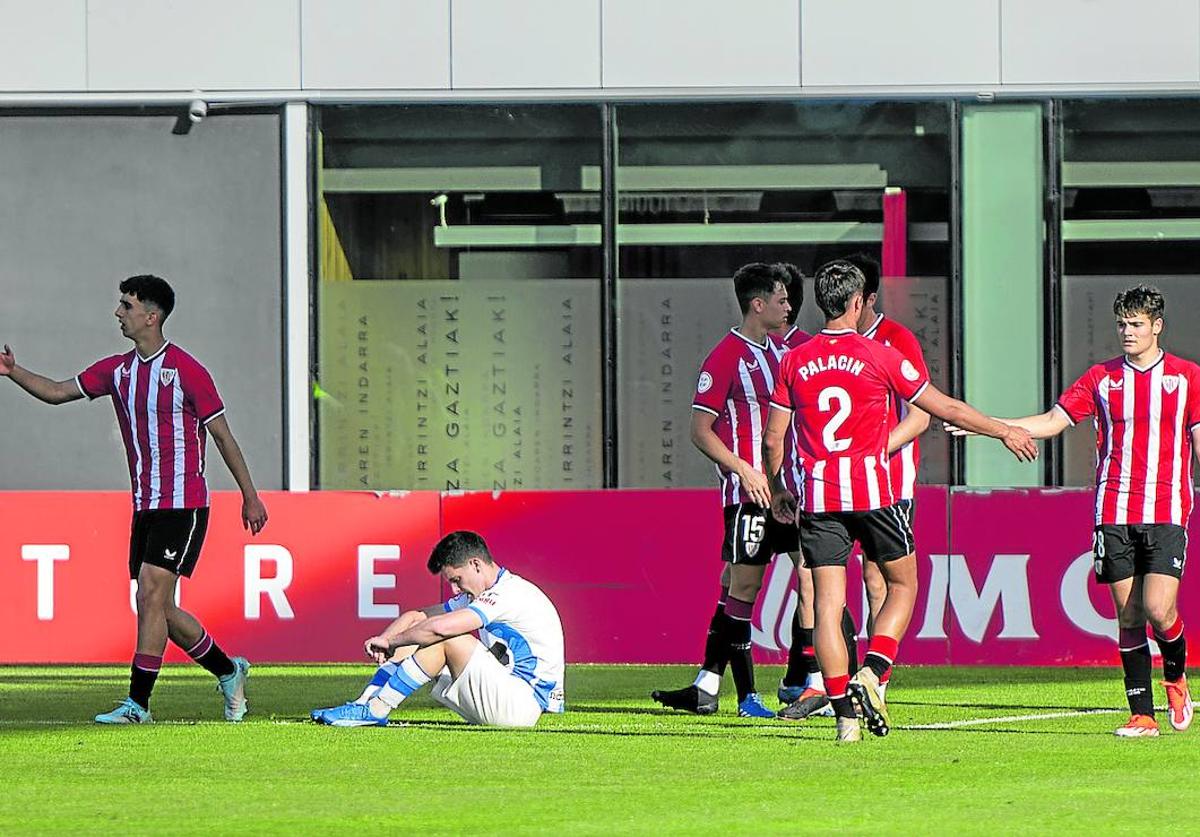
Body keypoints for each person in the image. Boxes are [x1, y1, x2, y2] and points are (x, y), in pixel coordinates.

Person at [764, 260, 1036, 742]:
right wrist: (1003, 430)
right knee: (903, 586)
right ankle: (873, 671)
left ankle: (845, 720)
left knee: (827, 606)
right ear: (855, 302)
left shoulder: (793, 360)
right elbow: (943, 408)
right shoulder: (878, 355)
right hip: (876, 492)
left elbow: (772, 440)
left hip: (820, 498)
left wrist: (778, 486)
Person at [0, 274, 267, 724]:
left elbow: (222, 435)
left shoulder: (187, 370)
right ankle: (228, 670)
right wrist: (12, 372)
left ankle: (137, 706)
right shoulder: (118, 372)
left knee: (149, 595)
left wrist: (250, 497)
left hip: (183, 502)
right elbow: (58, 391)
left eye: (126, 305)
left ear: (151, 315)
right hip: (146, 504)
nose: (118, 313)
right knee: (158, 607)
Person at [946, 285, 1197, 738]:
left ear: (1157, 327)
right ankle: (1142, 714)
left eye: (1137, 324)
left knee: (1161, 609)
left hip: (1167, 507)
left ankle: (1176, 679)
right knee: (1129, 614)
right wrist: (991, 428)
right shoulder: (1102, 378)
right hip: (1113, 508)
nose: (1128, 332)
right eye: (1123, 323)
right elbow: (1052, 421)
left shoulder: (1187, 378)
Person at [651, 263, 794, 719]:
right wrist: (743, 469)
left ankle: (717, 685)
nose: (788, 306)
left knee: (812, 582)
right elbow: (700, 430)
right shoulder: (725, 356)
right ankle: (748, 696)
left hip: (788, 492)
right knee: (743, 587)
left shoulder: (779, 352)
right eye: (780, 299)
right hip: (748, 496)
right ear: (758, 304)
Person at [312, 530, 565, 728]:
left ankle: (377, 709)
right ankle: (363, 704)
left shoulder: (508, 593)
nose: (455, 590)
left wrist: (392, 643)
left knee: (445, 638)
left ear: (476, 565)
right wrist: (387, 638)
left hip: (523, 705)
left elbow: (442, 629)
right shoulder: (483, 593)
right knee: (418, 634)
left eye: (457, 580)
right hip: (508, 697)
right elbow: (416, 617)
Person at [854, 252, 930, 696]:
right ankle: (839, 678)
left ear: (868, 298)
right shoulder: (835, 343)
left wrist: (874, 450)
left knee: (880, 575)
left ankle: (876, 677)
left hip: (888, 478)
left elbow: (920, 416)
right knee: (835, 577)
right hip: (841, 482)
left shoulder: (897, 339)